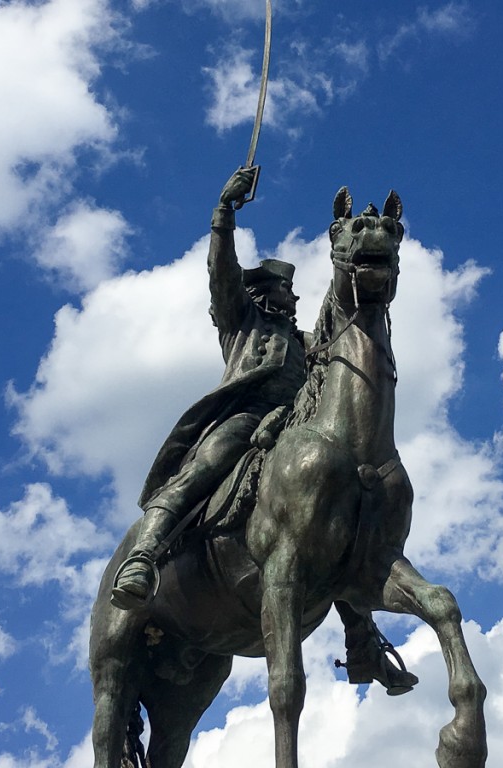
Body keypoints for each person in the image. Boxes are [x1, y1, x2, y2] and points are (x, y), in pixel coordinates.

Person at [110, 168, 418, 694]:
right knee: (213, 457)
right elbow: (221, 274)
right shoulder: (242, 324)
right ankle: (145, 553)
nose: (290, 298)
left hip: (300, 430)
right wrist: (223, 216)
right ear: (260, 294)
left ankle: (362, 641)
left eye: (292, 291)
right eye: (280, 290)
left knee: (340, 510)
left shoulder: (306, 340)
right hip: (245, 420)